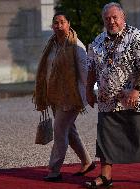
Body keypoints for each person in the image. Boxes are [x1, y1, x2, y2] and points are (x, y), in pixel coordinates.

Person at [85, 2, 140, 188]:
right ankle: (106, 176)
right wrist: (89, 90)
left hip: (136, 97)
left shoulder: (137, 37)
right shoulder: (97, 41)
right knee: (106, 137)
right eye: (107, 18)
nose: (111, 21)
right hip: (108, 99)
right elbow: (91, 68)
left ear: (123, 18)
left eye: (115, 17)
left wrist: (136, 90)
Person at [33, 11, 96, 182]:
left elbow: (85, 72)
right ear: (52, 25)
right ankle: (87, 161)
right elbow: (47, 69)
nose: (59, 26)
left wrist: (91, 92)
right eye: (56, 23)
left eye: (62, 22)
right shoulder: (51, 44)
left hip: (72, 96)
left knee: (60, 130)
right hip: (55, 95)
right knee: (70, 130)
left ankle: (54, 170)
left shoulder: (77, 46)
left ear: (69, 24)